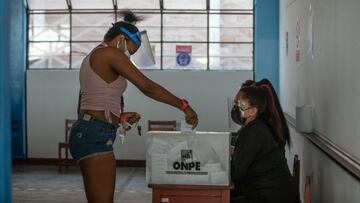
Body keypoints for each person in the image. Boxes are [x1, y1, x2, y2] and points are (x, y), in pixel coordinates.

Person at [69, 10, 198, 203]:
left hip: (89, 130)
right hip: (94, 133)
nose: (128, 58)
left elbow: (85, 104)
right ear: (121, 39)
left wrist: (118, 118)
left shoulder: (93, 56)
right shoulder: (110, 53)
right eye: (130, 51)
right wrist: (183, 105)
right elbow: (147, 87)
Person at [230, 85, 299, 203]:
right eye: (234, 104)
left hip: (270, 198)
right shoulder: (257, 128)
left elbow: (236, 173)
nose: (235, 108)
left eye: (239, 104)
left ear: (252, 111)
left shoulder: (253, 132)